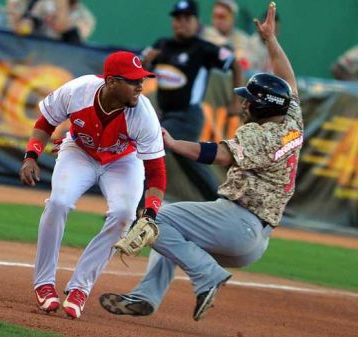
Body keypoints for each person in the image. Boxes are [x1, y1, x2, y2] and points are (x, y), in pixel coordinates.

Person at [99, 2, 303, 321]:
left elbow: (217, 154)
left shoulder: (261, 136)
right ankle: (145, 296)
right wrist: (270, 40)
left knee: (156, 217)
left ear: (262, 106)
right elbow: (287, 78)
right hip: (255, 239)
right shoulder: (292, 120)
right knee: (171, 229)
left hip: (237, 222)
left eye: (249, 99)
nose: (243, 103)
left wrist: (173, 143)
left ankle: (206, 274)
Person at [19, 51, 166, 319]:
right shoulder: (79, 90)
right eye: (133, 81)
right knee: (58, 203)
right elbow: (46, 121)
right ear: (111, 82)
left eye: (141, 80)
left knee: (124, 215)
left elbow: (155, 171)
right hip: (79, 151)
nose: (140, 86)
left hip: (123, 161)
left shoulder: (143, 114)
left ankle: (80, 288)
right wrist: (31, 155)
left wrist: (151, 211)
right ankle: (44, 283)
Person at [142, 0, 243, 202]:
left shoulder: (203, 48)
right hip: (166, 114)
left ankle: (137, 207)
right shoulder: (162, 45)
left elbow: (235, 65)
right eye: (177, 18)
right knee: (191, 164)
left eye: (187, 18)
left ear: (197, 21)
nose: (181, 23)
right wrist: (147, 61)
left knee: (151, 147)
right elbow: (141, 70)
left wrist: (236, 100)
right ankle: (220, 202)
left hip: (187, 116)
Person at [7, 0, 95, 43]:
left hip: (62, 63)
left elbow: (60, 27)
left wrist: (62, 6)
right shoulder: (44, 4)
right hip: (35, 53)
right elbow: (25, 27)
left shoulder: (86, 18)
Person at [200, 0, 250, 69]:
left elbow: (245, 65)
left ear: (233, 18)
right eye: (215, 16)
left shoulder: (242, 38)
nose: (218, 20)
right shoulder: (204, 34)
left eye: (222, 16)